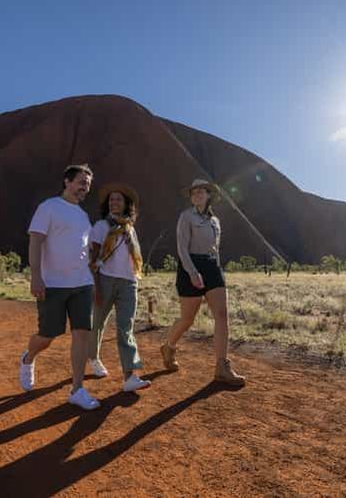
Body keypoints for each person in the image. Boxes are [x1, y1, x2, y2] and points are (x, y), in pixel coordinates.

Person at [18, 164, 100, 410]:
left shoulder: (84, 216)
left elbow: (83, 248)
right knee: (48, 336)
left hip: (82, 283)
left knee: (82, 334)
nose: (84, 188)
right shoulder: (49, 207)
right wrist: (36, 276)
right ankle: (28, 357)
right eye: (80, 182)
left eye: (87, 184)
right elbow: (35, 242)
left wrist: (92, 269)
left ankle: (77, 389)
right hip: (53, 283)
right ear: (67, 181)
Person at [160, 179, 245, 386]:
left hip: (212, 267)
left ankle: (222, 367)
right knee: (187, 319)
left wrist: (216, 269)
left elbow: (216, 249)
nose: (197, 195)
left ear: (209, 196)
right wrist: (192, 272)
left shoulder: (215, 221)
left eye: (201, 192)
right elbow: (182, 247)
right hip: (191, 265)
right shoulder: (186, 217)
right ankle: (169, 346)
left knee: (222, 315)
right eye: (194, 192)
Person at [86, 182, 151, 392]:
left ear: (126, 205)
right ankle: (93, 358)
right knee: (97, 324)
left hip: (128, 282)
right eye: (112, 199)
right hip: (105, 280)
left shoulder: (130, 229)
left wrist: (135, 280)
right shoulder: (100, 227)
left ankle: (130, 376)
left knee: (126, 328)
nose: (114, 202)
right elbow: (93, 258)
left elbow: (135, 258)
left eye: (118, 199)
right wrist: (95, 286)